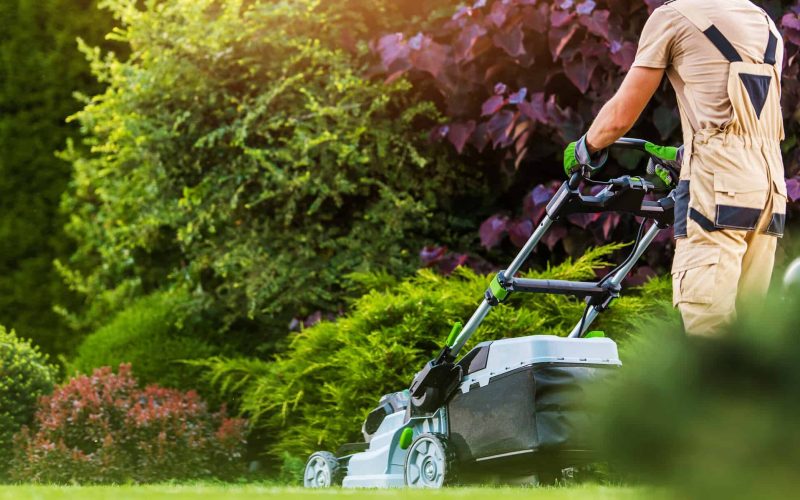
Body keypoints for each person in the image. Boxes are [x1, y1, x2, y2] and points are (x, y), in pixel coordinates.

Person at [563, 0, 786, 335]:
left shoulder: (672, 17)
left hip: (718, 190)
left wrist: (585, 147)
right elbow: (740, 117)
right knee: (749, 342)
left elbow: (621, 116)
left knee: (707, 328)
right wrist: (688, 153)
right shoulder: (765, 23)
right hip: (768, 189)